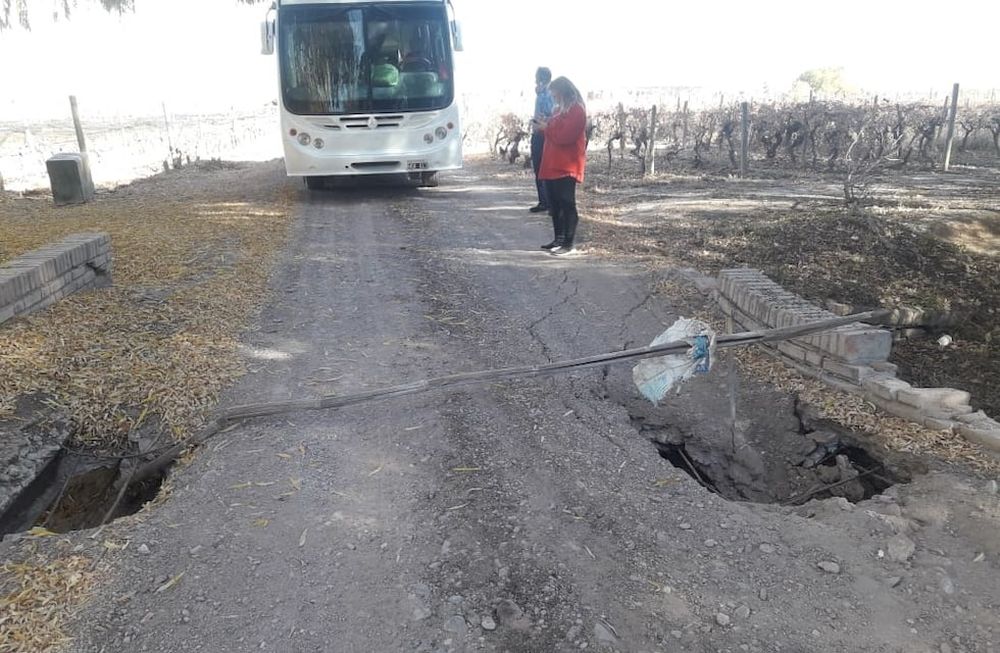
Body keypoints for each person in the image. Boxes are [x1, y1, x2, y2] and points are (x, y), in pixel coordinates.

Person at [536, 76, 587, 256]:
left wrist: (546, 128)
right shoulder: (560, 109)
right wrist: (546, 124)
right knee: (555, 204)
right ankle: (558, 238)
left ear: (563, 91)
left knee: (567, 203)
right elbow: (555, 129)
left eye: (555, 93)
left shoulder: (577, 110)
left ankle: (568, 242)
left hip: (566, 165)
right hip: (553, 163)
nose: (553, 97)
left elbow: (565, 136)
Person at [528, 67, 554, 213]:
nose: (534, 80)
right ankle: (543, 201)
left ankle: (549, 203)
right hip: (538, 133)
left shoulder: (549, 94)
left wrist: (540, 123)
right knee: (538, 168)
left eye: (536, 77)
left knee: (544, 168)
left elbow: (551, 114)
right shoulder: (540, 93)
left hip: (544, 134)